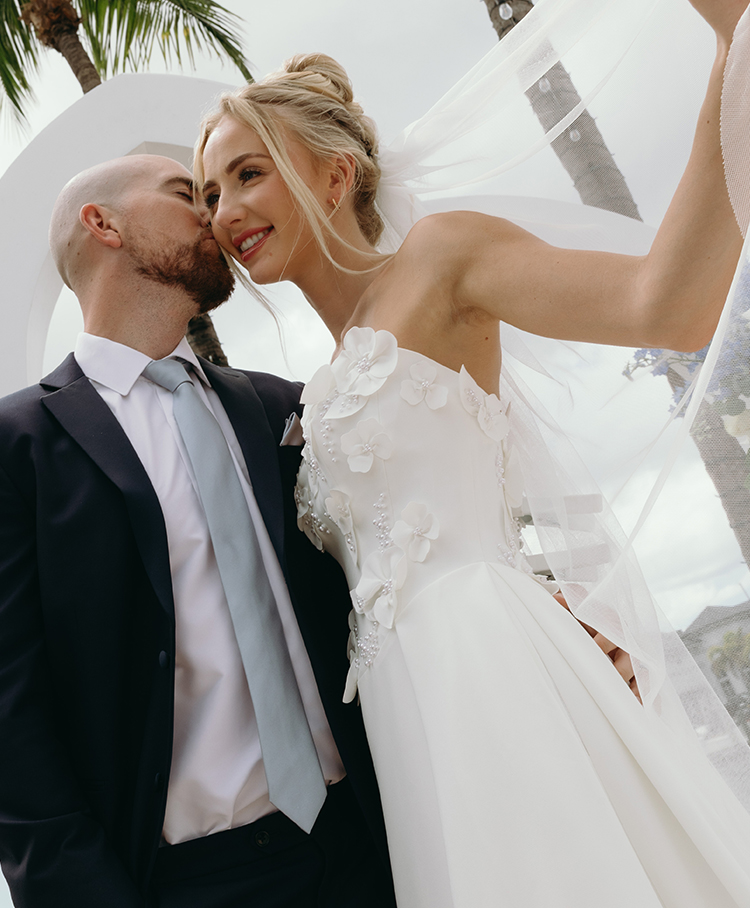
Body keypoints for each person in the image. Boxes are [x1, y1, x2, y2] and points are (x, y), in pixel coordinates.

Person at [195, 0, 750, 905]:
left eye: (247, 174)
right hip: (407, 714)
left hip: (493, 661)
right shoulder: (314, 389)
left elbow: (666, 303)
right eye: (211, 193)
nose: (224, 211)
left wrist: (734, 53)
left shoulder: (441, 259)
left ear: (336, 176)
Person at [0, 153, 396, 908]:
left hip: (371, 844)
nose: (215, 214)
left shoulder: (291, 408)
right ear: (102, 223)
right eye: (189, 194)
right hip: (188, 885)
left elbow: (400, 559)